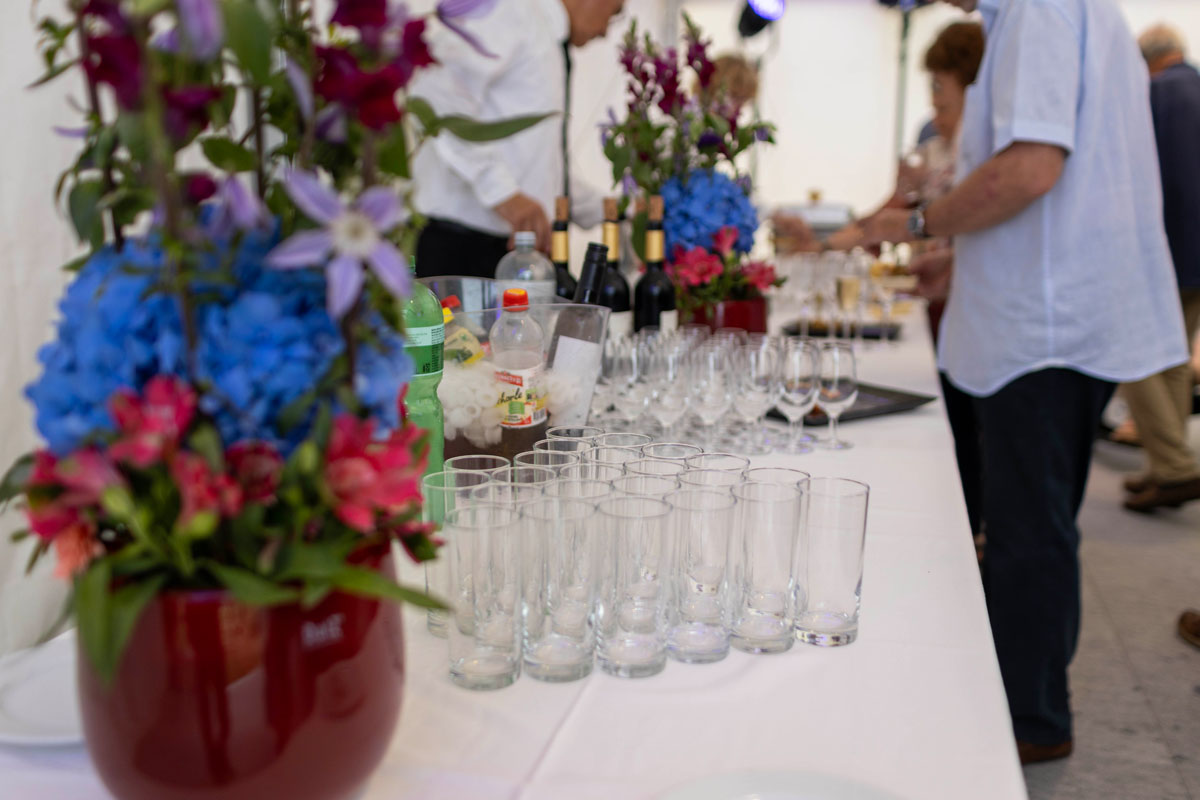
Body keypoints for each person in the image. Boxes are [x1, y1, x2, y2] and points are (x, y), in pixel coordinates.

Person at [861, 0, 1189, 765]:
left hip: (1046, 327)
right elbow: (1054, 189)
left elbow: (1030, 170)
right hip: (1055, 310)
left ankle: (1028, 719)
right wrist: (962, 260)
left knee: (1028, 535)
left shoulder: (1039, 9)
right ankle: (1023, 702)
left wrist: (921, 223)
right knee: (1034, 527)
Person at [409, 0, 621, 279]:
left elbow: (541, 166)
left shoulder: (546, 38)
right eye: (615, 12)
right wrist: (504, 196)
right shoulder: (510, 10)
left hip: (508, 253)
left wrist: (619, 209)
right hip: (465, 250)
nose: (605, 30)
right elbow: (434, 93)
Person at [1117, 25, 1200, 512]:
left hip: (1167, 250)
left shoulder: (1157, 93)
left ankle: (1174, 467)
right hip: (1194, 256)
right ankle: (1166, 463)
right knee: (1173, 357)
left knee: (1135, 353)